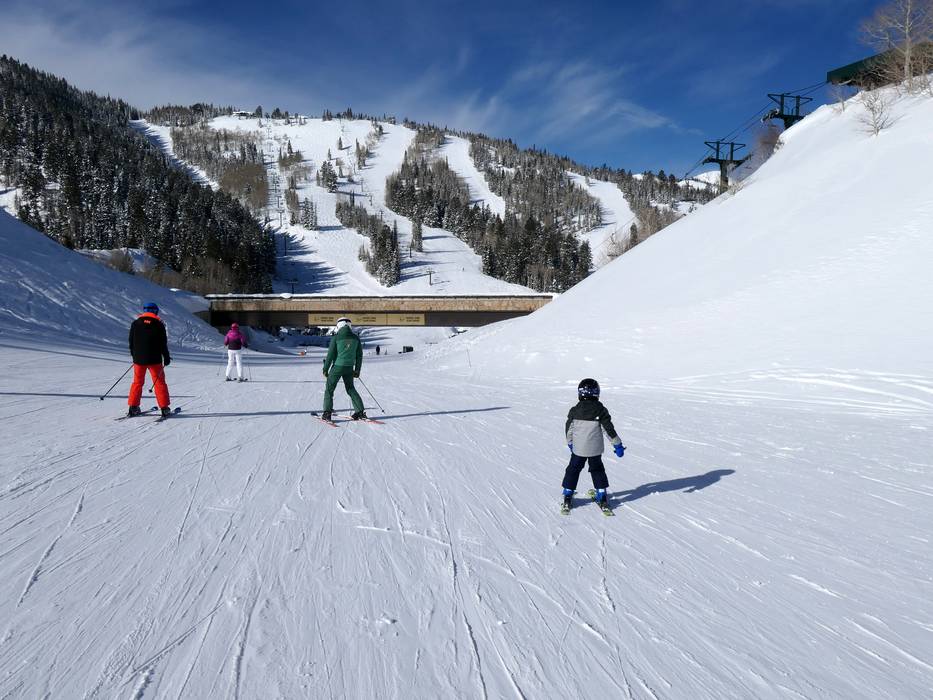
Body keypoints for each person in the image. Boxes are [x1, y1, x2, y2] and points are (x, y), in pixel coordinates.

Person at [562, 378, 625, 511]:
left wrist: (570, 443)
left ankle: (567, 494)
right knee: (597, 470)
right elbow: (609, 430)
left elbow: (569, 429)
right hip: (595, 450)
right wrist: (617, 445)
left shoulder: (575, 410)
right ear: (597, 393)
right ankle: (601, 495)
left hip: (578, 449)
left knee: (573, 469)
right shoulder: (600, 410)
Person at [127, 302, 172, 418]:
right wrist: (166, 357)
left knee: (137, 383)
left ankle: (133, 407)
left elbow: (131, 341)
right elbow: (163, 344)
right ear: (155, 311)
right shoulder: (159, 324)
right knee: (159, 383)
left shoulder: (135, 323)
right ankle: (164, 408)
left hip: (139, 360)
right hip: (155, 360)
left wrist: (134, 355)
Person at [321, 317, 365, 421]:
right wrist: (357, 370)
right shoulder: (356, 338)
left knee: (329, 389)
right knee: (350, 388)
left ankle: (327, 413)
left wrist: (325, 369)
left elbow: (330, 355)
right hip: (349, 368)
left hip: (337, 367)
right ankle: (360, 412)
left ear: (339, 325)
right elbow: (359, 356)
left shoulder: (336, 338)